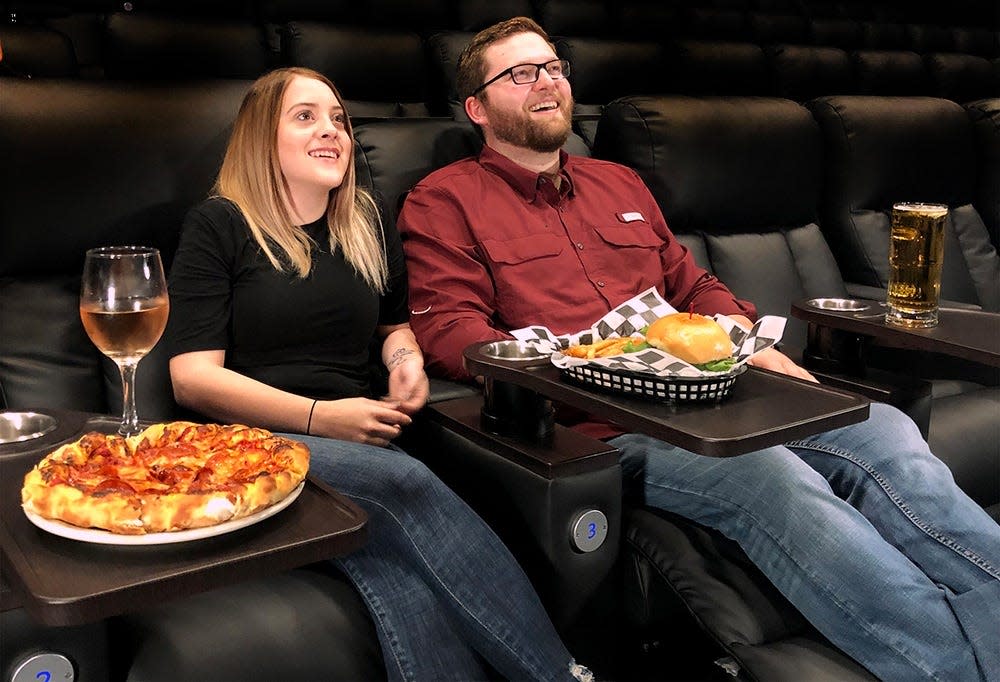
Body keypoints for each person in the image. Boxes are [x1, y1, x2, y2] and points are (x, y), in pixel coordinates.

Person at [396, 17, 1000, 682]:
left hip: (719, 394)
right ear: (478, 107)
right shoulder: (444, 199)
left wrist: (748, 343)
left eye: (554, 68)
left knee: (884, 430)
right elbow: (451, 332)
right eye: (521, 73)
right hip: (611, 430)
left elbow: (695, 285)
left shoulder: (619, 184)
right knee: (774, 479)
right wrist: (578, 361)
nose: (547, 82)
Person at [166, 66, 595, 682]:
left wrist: (405, 361)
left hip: (359, 431)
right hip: (253, 442)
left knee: (399, 577)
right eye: (305, 116)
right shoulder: (220, 225)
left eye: (338, 118)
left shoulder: (364, 218)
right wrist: (321, 418)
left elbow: (393, 327)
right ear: (263, 139)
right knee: (408, 485)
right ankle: (562, 675)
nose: (332, 131)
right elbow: (193, 379)